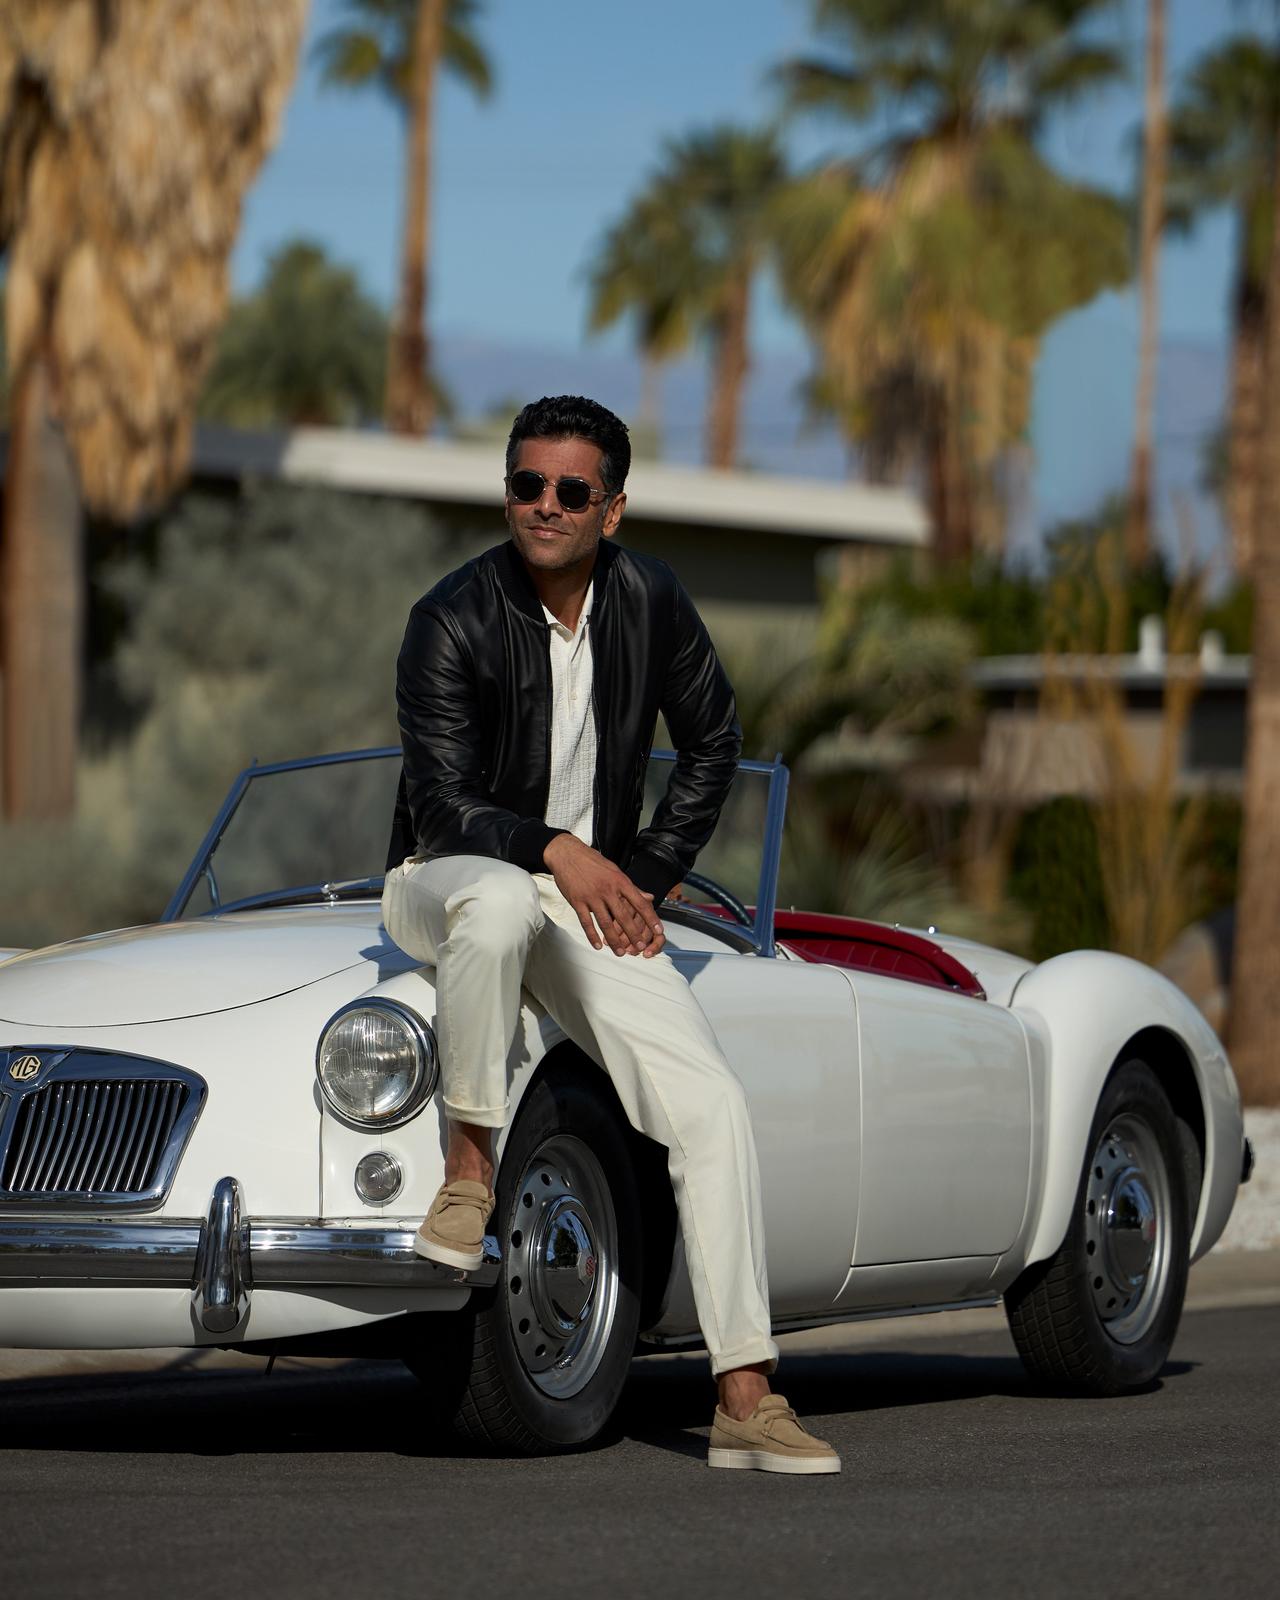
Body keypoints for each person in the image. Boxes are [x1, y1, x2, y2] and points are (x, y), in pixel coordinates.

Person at [381, 394, 839, 1474]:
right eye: (523, 484)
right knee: (493, 901)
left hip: (584, 898)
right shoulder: (447, 617)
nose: (541, 505)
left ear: (612, 509)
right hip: (440, 877)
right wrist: (557, 849)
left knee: (713, 1107)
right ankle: (469, 1167)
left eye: (569, 490)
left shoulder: (650, 604)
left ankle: (742, 1395)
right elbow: (442, 803)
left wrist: (639, 879)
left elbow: (714, 739)